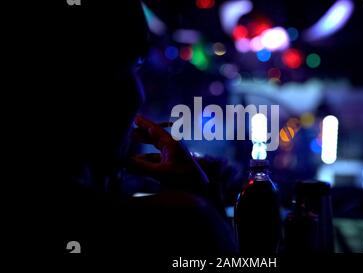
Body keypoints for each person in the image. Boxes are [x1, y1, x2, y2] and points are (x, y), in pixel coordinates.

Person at [34, 0, 237, 256]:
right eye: (128, 65)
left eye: (140, 66)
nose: (139, 94)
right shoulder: (181, 219)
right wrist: (202, 200)